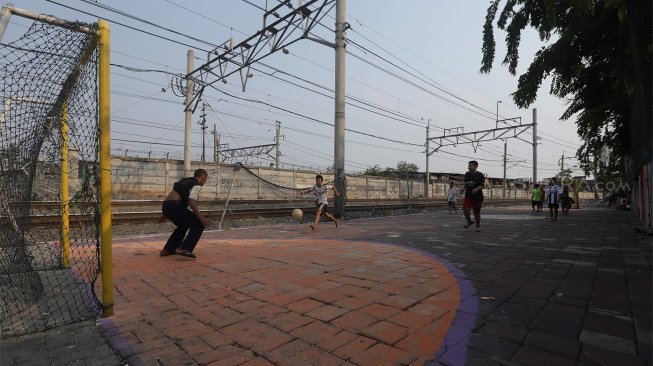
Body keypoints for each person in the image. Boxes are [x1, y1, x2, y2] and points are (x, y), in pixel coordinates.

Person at [159, 169, 210, 258]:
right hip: (175, 207)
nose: (205, 182)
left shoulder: (185, 181)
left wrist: (164, 214)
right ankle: (185, 248)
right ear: (203, 178)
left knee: (183, 226)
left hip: (166, 206)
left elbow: (171, 198)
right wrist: (202, 218)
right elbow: (191, 201)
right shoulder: (196, 185)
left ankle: (168, 249)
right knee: (198, 224)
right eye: (206, 180)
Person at [462, 161, 484, 232]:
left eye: (470, 166)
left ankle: (478, 226)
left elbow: (482, 185)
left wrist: (476, 189)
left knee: (476, 213)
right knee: (465, 209)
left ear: (475, 167)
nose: (469, 167)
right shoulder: (467, 174)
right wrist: (463, 188)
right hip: (468, 195)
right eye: (468, 166)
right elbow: (465, 183)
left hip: (477, 197)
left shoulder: (480, 175)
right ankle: (469, 221)